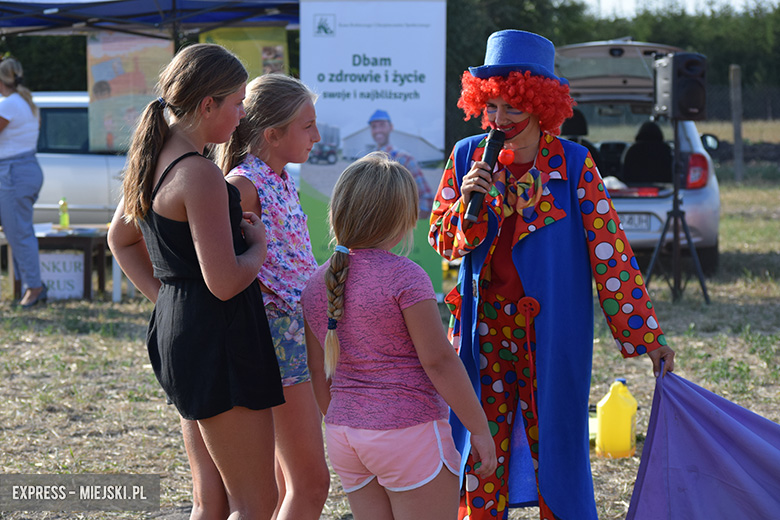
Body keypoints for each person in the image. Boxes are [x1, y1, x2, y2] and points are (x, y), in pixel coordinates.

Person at [428, 30, 676, 520]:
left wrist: (647, 337)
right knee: (481, 449)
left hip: (551, 334)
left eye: (512, 110)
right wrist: (465, 206)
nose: (499, 122)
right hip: (483, 334)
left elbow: (612, 257)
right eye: (490, 108)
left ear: (540, 107)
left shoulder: (575, 164)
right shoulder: (465, 157)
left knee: (557, 449)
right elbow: (443, 240)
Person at [107, 43, 284, 519]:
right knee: (257, 501)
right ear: (208, 105)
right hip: (218, 337)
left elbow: (119, 240)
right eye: (237, 102)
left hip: (184, 332)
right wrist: (259, 247)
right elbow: (225, 281)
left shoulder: (153, 159)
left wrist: (169, 299)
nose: (242, 114)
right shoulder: (200, 173)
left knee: (212, 502)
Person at [301, 152, 497, 520]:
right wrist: (480, 430)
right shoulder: (405, 277)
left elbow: (317, 371)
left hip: (345, 435)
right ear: (403, 217)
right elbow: (438, 361)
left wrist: (349, 419)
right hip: (409, 432)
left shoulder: (316, 283)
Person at [214, 73, 330, 520]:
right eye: (307, 126)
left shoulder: (278, 179)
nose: (317, 136)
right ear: (273, 134)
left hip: (296, 335)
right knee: (310, 483)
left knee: (290, 484)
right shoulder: (244, 185)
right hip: (277, 339)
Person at [0, 56, 46, 308]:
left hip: (13, 172)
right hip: (22, 169)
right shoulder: (25, 103)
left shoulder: (9, 105)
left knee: (19, 232)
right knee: (18, 231)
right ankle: (32, 284)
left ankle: (34, 288)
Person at [367, 109, 434, 219]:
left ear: (391, 127)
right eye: (374, 127)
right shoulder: (367, 160)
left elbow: (426, 200)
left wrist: (400, 223)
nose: (377, 130)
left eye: (382, 125)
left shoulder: (405, 159)